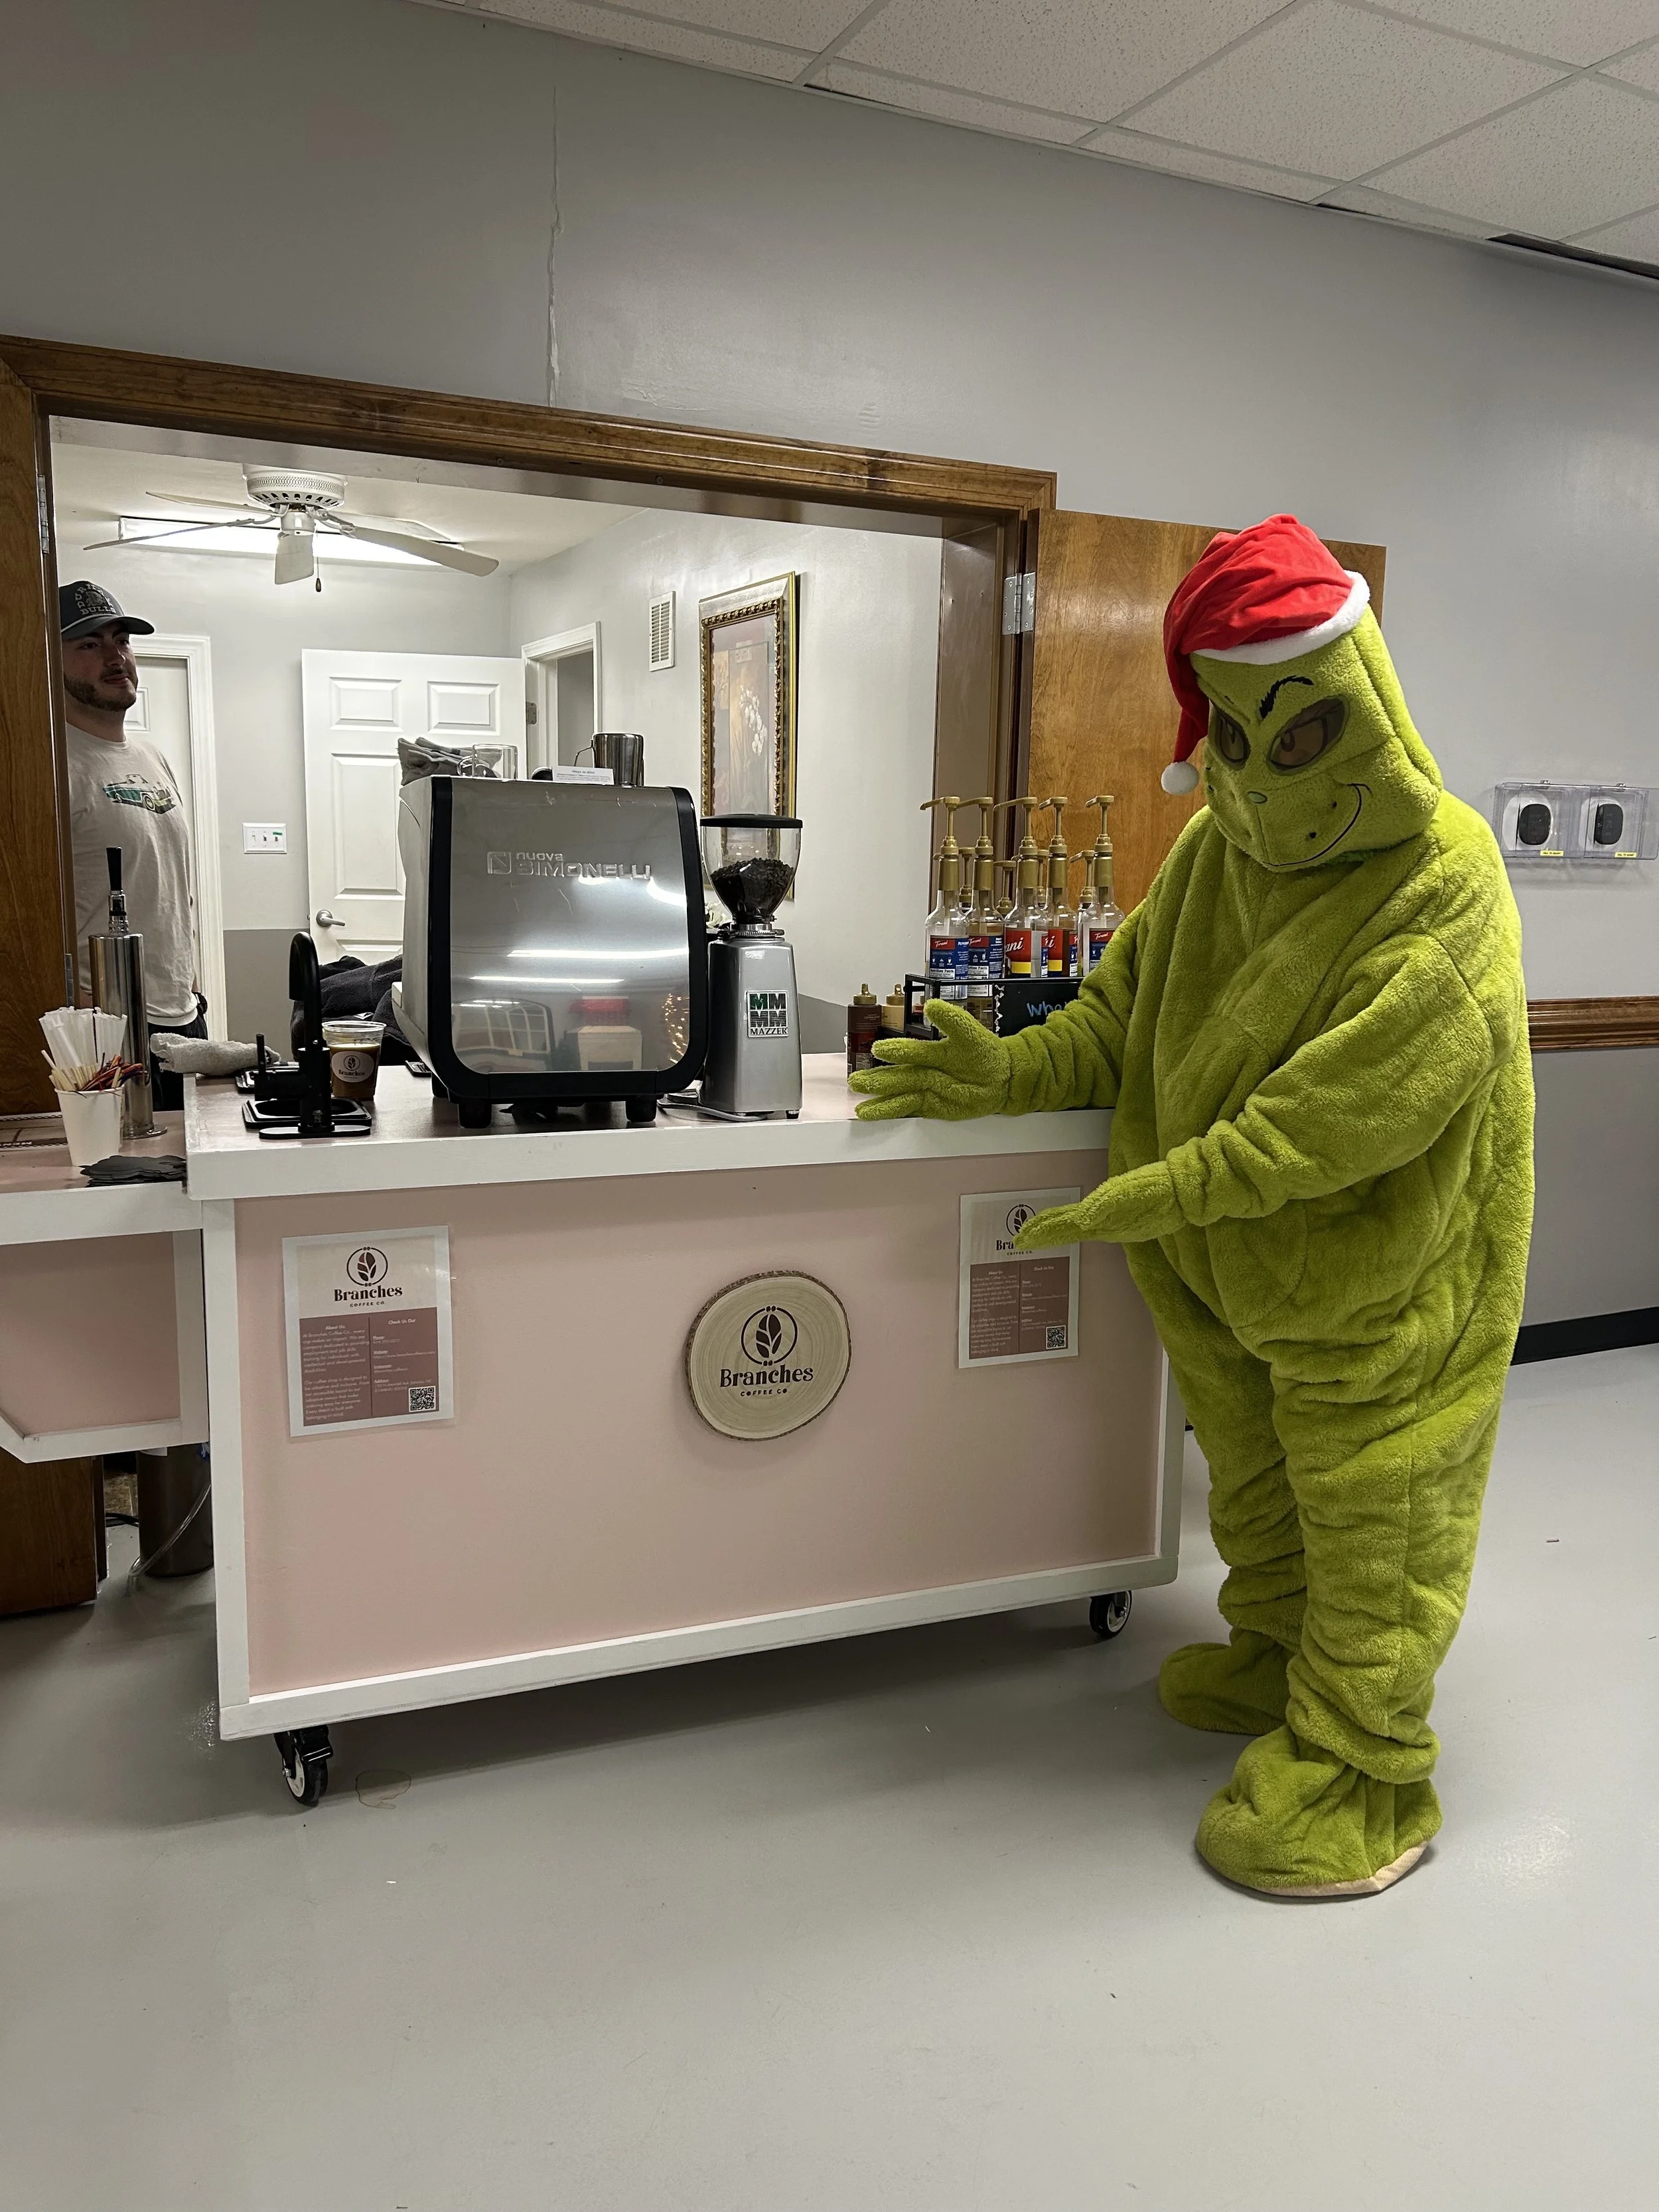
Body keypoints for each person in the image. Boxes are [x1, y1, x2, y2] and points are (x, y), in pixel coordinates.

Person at [851, 516, 1533, 1900]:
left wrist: (1145, 1197)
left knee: (1376, 1508)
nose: (1279, 771)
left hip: (1382, 1289)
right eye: (1241, 738)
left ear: (1370, 697)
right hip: (1226, 1284)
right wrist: (1006, 1076)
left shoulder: (1443, 878)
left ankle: (1364, 1772)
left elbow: (1346, 1110)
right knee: (1260, 1492)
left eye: (1306, 729)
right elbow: (1119, 1019)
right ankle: (1280, 1656)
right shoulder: (1216, 861)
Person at [60, 581, 205, 1108]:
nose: (115, 657)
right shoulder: (53, 769)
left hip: (182, 1012)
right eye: (89, 645)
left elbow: (168, 882)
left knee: (196, 1173)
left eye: (120, 640)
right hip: (107, 1023)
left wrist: (189, 980)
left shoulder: (152, 756)